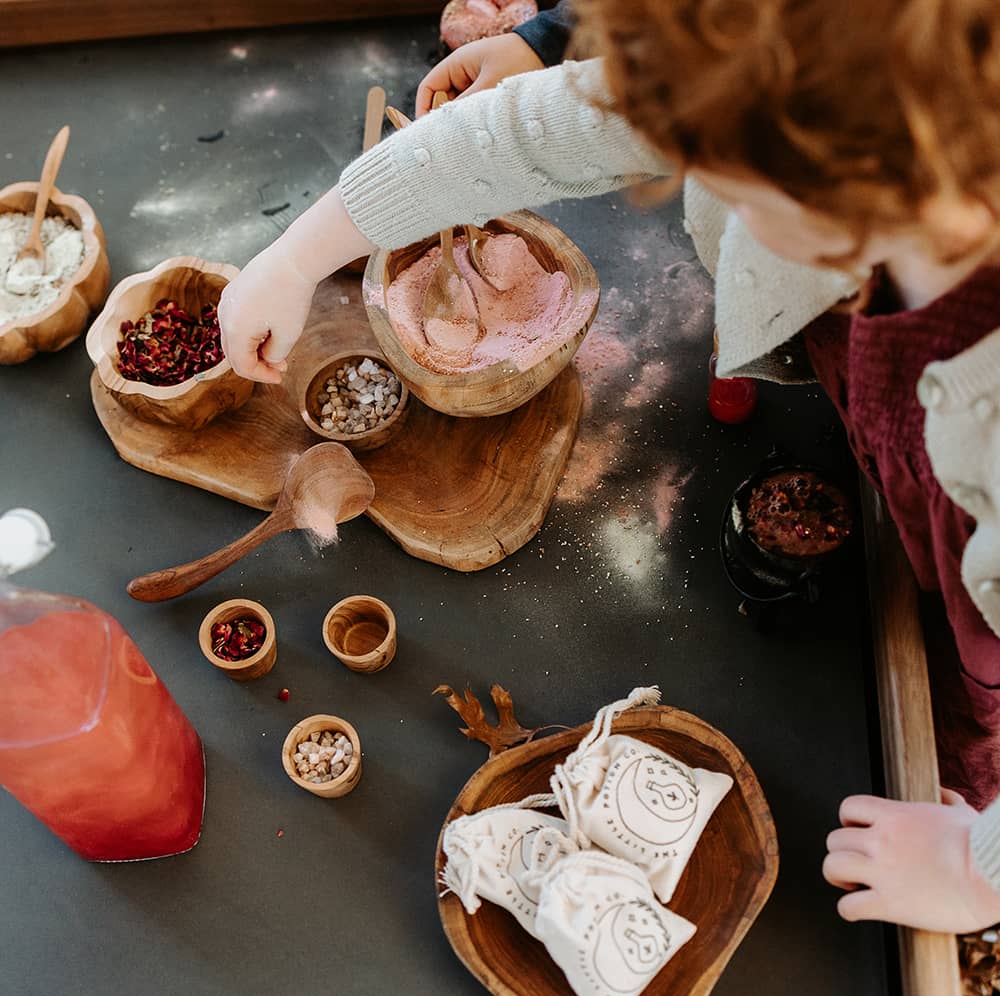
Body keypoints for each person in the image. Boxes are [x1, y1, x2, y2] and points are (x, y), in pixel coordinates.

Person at [218, 0, 1000, 933]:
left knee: (969, 687)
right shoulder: (791, 72)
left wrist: (972, 868)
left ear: (859, 170)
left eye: (723, 173)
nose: (682, 167)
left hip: (972, 580)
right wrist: (299, 253)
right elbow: (539, 128)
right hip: (891, 421)